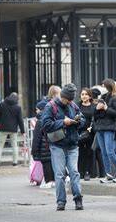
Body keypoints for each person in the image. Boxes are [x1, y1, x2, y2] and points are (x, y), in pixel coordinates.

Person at [41, 83, 86, 211]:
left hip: (72, 144)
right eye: (68, 99)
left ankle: (78, 199)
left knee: (74, 172)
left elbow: (82, 120)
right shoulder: (50, 106)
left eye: (71, 99)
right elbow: (45, 125)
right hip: (57, 145)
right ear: (62, 96)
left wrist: (78, 121)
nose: (69, 102)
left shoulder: (73, 105)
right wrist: (63, 122)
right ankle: (61, 201)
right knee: (60, 174)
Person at [93, 79, 116, 183]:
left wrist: (106, 108)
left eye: (104, 86)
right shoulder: (102, 98)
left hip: (109, 128)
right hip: (99, 128)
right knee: (104, 153)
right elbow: (95, 114)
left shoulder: (115, 98)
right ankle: (109, 174)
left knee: (110, 152)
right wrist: (97, 108)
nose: (102, 88)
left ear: (109, 87)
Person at [31, 100, 55, 188]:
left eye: (37, 109)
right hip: (52, 145)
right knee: (53, 163)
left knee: (46, 164)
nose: (36, 111)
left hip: (43, 147)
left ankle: (49, 181)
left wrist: (34, 151)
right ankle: (55, 180)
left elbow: (36, 138)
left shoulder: (40, 121)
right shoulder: (52, 118)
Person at [0, 93, 25, 166]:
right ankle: (15, 162)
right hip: (13, 129)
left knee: (0, 145)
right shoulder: (18, 107)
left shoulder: (2, 104)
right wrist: (23, 131)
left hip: (3, 128)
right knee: (14, 145)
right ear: (16, 98)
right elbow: (20, 120)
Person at [76, 88, 96, 181]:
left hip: (90, 132)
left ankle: (88, 172)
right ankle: (80, 171)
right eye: (82, 94)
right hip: (79, 131)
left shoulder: (93, 106)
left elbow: (96, 119)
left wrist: (92, 127)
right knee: (80, 152)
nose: (84, 96)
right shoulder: (77, 106)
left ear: (90, 96)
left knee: (89, 152)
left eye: (86, 94)